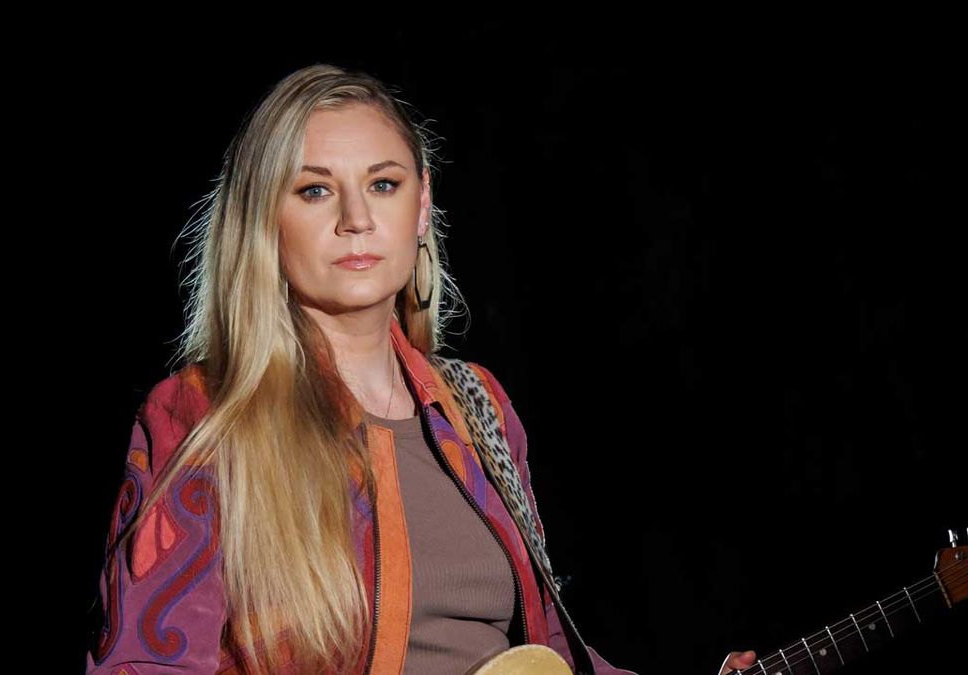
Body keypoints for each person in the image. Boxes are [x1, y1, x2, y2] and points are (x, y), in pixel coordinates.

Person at [85, 62, 753, 674]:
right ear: (265, 217)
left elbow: (545, 651)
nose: (356, 219)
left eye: (382, 184)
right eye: (315, 190)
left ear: (422, 201)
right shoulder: (206, 414)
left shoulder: (477, 405)